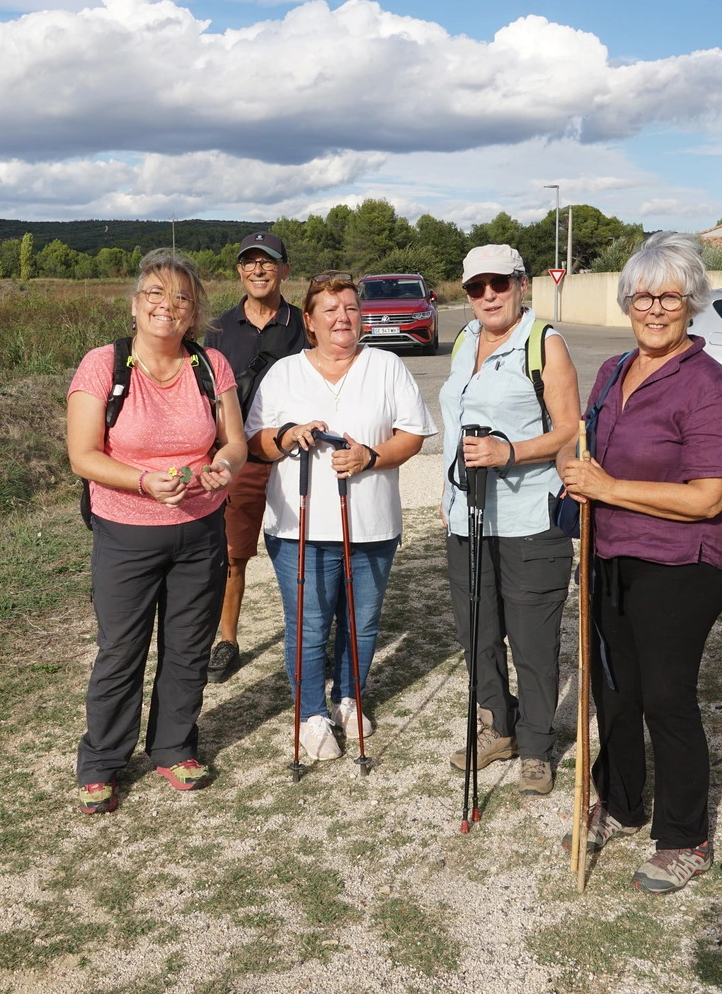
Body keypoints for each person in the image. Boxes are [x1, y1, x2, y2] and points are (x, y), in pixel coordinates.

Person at [556, 232, 722, 893]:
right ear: (627, 301)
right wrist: (576, 472)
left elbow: (710, 497)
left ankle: (685, 836)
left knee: (666, 697)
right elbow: (586, 446)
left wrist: (609, 488)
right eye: (643, 295)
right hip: (609, 557)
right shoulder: (612, 371)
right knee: (615, 690)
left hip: (679, 565)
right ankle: (623, 799)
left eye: (670, 296)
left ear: (692, 302)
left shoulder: (711, 387)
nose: (655, 308)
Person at [66, 249, 248, 808]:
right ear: (134, 304)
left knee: (189, 647)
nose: (167, 306)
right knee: (121, 649)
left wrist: (225, 468)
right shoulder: (103, 365)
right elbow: (82, 456)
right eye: (155, 294)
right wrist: (143, 483)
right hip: (126, 532)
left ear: (194, 313)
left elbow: (235, 442)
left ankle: (174, 748)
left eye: (181, 297)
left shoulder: (209, 365)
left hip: (200, 530)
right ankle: (102, 761)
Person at [247, 272, 436, 760]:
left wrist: (369, 457)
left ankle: (348, 697)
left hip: (371, 523)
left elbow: (412, 434)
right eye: (329, 310)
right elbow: (255, 442)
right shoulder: (284, 372)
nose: (342, 318)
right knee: (309, 625)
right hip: (299, 527)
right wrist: (287, 435)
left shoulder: (387, 366)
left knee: (361, 623)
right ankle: (311, 713)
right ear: (309, 321)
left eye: (350, 308)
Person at [439, 244, 580, 796]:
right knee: (476, 634)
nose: (489, 296)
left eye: (500, 284)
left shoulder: (545, 343)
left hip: (528, 520)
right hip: (466, 517)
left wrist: (510, 453)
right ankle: (497, 725)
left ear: (522, 285)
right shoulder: (463, 341)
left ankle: (538, 744)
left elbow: (571, 429)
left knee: (532, 643)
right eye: (477, 287)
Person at [206, 231, 309, 683]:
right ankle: (226, 639)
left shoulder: (305, 325)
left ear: (284, 269)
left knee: (306, 549)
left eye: (267, 261)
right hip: (240, 455)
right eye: (249, 262)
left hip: (297, 456)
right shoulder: (218, 330)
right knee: (233, 554)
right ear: (239, 271)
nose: (258, 269)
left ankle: (309, 636)